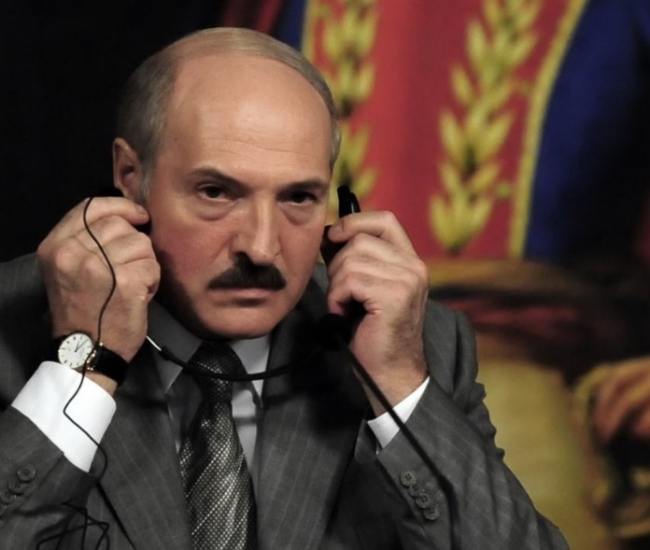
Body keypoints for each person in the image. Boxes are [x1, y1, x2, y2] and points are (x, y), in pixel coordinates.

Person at [0, 27, 567, 549]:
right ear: (131, 177)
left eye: (298, 197)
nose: (262, 248)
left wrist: (396, 385)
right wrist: (84, 364)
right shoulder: (9, 325)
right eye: (217, 192)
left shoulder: (416, 343)